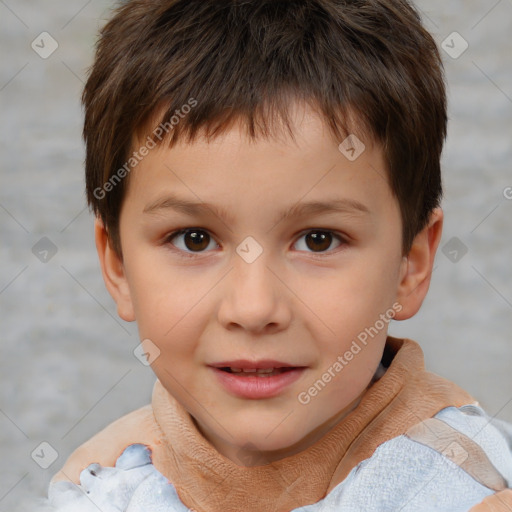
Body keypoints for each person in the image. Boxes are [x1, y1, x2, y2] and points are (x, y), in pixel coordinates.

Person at [47, 0, 512, 510]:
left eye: (318, 239)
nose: (253, 308)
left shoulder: (466, 487)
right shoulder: (99, 486)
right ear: (117, 267)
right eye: (194, 239)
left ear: (411, 264)